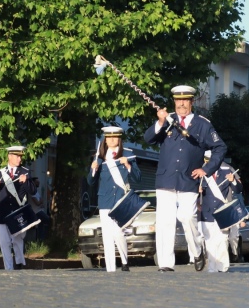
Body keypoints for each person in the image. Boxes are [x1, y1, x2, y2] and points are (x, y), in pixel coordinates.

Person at [143, 85, 227, 272]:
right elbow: (148, 138)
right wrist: (160, 122)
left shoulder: (203, 124)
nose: (181, 104)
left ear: (191, 101)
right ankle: (165, 263)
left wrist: (206, 169)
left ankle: (197, 250)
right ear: (174, 101)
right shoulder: (167, 120)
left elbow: (220, 147)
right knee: (165, 221)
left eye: (185, 100)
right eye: (178, 100)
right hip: (166, 179)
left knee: (187, 216)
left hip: (188, 180)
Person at [86, 126, 140, 272]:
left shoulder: (128, 154)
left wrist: (128, 165)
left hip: (121, 199)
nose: (112, 140)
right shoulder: (99, 157)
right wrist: (93, 169)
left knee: (118, 231)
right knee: (107, 235)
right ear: (105, 139)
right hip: (104, 200)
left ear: (119, 138)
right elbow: (90, 182)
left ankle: (124, 260)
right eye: (109, 137)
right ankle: (110, 268)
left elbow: (137, 177)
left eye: (115, 137)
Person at [0, 146, 36, 271]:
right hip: (3, 214)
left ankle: (18, 264)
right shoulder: (0, 173)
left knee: (17, 242)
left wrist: (27, 182)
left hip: (18, 214)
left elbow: (33, 191)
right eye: (17, 156)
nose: (20, 159)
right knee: (4, 243)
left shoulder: (25, 172)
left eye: (20, 156)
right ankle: (8, 267)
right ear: (10, 156)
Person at [199, 150, 241, 272]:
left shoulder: (227, 172)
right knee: (209, 241)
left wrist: (233, 180)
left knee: (222, 239)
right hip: (206, 212)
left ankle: (223, 266)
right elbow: (191, 193)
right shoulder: (201, 174)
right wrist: (197, 190)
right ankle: (212, 267)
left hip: (222, 211)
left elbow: (238, 189)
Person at [29, 177, 51, 241]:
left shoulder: (36, 192)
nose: (38, 184)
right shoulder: (32, 193)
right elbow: (37, 203)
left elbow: (41, 200)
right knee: (48, 220)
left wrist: (40, 202)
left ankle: (41, 239)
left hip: (39, 210)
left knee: (41, 225)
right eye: (37, 182)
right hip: (36, 212)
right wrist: (40, 203)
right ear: (33, 183)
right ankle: (43, 238)